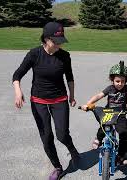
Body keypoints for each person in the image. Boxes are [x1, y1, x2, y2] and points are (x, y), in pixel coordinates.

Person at [12, 22, 79, 180]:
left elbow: (69, 77)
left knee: (62, 135)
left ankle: (72, 148)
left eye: (61, 41)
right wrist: (17, 91)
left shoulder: (64, 56)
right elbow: (17, 74)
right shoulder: (34, 54)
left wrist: (72, 95)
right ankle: (57, 167)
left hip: (60, 99)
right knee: (47, 136)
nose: (59, 44)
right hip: (39, 100)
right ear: (46, 39)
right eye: (56, 41)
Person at [81, 61, 127, 165]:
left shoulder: (126, 89)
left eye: (122, 81)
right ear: (112, 80)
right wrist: (88, 104)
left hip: (120, 113)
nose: (120, 84)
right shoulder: (110, 88)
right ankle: (99, 138)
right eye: (117, 81)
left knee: (123, 134)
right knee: (104, 125)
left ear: (126, 81)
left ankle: (121, 155)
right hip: (109, 112)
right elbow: (99, 96)